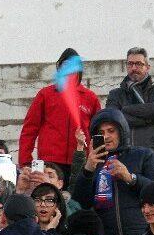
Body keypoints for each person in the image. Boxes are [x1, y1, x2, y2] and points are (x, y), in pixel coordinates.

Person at [71, 108, 154, 235]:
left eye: (111, 131)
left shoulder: (144, 155)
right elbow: (80, 204)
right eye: (101, 133)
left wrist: (131, 178)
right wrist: (88, 170)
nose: (106, 137)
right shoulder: (93, 163)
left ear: (121, 132)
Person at [18, 48, 101, 176]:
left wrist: (97, 161)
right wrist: (25, 161)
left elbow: (98, 131)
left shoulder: (90, 98)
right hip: (50, 163)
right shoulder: (45, 95)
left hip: (81, 160)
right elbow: (29, 129)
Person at [106, 47, 154, 157]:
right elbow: (114, 119)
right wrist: (149, 118)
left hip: (152, 153)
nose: (134, 68)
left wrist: (125, 109)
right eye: (130, 64)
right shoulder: (115, 94)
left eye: (139, 64)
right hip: (124, 153)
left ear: (147, 67)